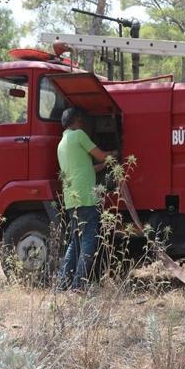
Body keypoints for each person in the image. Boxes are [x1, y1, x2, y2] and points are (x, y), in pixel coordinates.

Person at [57, 107, 118, 291]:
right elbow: (101, 155)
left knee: (74, 243)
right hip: (85, 198)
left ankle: (62, 284)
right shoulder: (79, 135)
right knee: (89, 242)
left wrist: (104, 164)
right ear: (76, 119)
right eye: (81, 119)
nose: (82, 122)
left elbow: (86, 168)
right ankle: (79, 286)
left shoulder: (62, 143)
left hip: (71, 200)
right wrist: (115, 154)